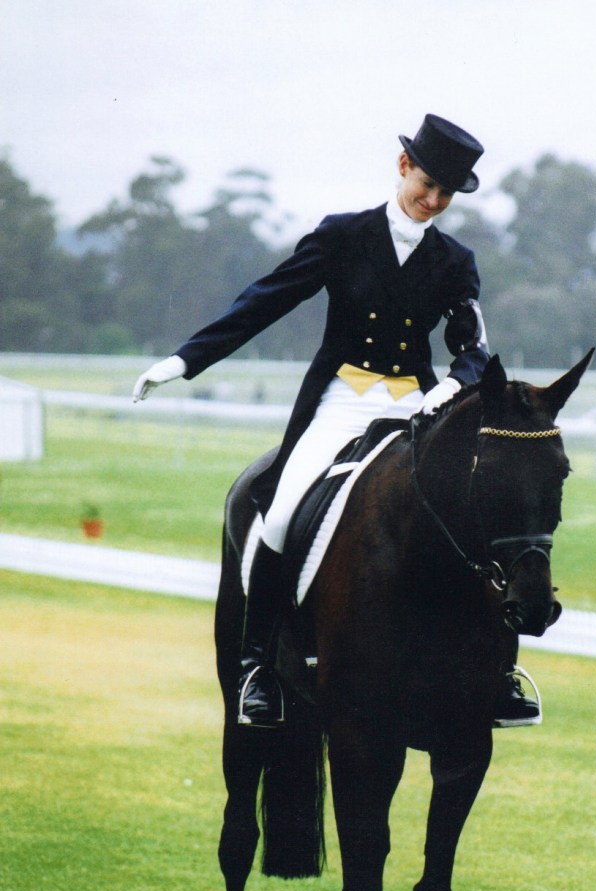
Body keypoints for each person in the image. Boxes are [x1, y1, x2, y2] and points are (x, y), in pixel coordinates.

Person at [133, 114, 539, 729]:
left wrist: (455, 383)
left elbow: (473, 343)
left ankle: (499, 669)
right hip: (341, 399)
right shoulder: (343, 235)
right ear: (403, 166)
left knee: (476, 512)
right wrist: (185, 360)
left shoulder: (455, 260)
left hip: (414, 403)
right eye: (427, 184)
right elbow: (266, 299)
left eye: (446, 194)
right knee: (282, 511)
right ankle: (258, 666)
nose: (433, 201)